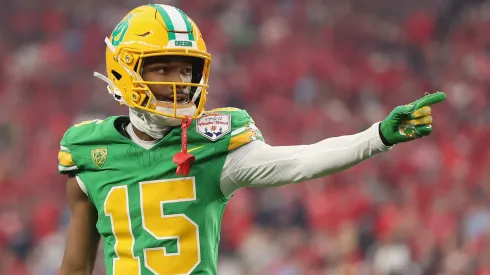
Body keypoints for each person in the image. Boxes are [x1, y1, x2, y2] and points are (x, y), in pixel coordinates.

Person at [57, 4, 446, 275]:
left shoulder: (213, 142)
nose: (178, 82)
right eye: (161, 69)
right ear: (123, 71)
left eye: (185, 70)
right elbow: (76, 267)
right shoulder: (88, 151)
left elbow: (300, 161)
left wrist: (375, 136)